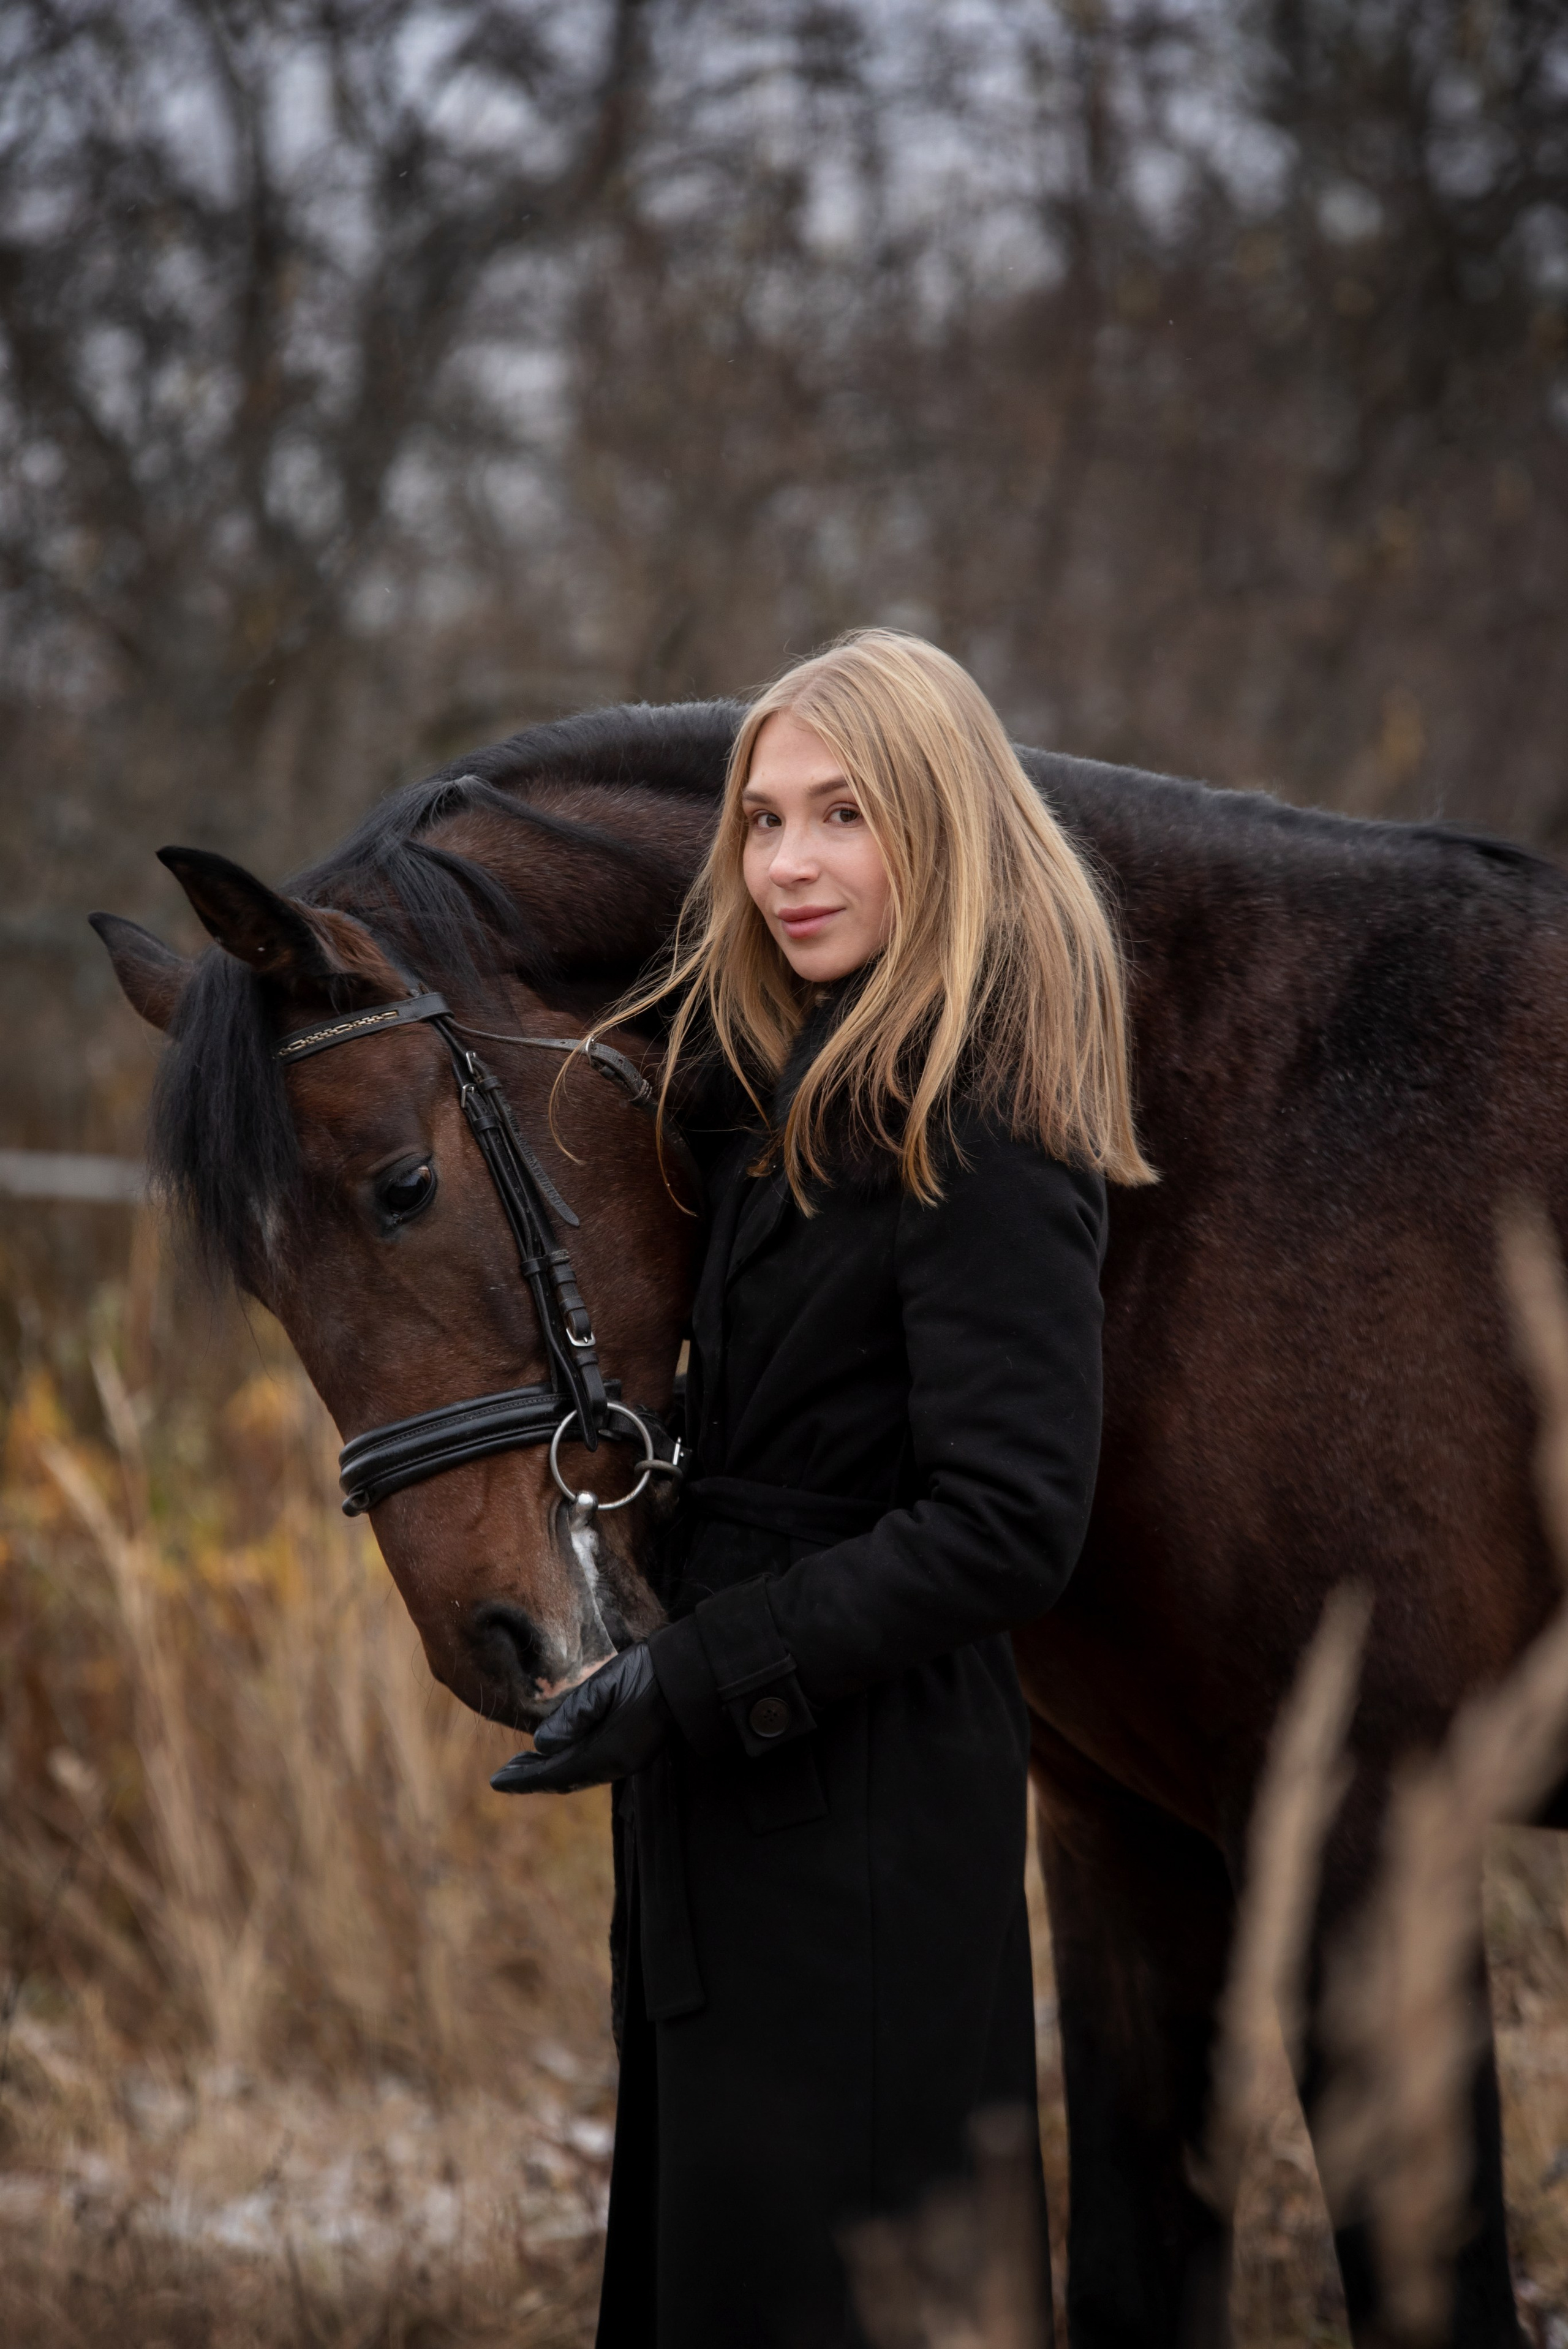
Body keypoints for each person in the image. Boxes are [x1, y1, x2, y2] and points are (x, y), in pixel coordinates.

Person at [494, 630, 1155, 2347]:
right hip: (737, 1809)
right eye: (766, 819)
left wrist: (694, 1676)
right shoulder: (787, 1088)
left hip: (861, 1814)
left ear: (939, 828)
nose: (788, 865)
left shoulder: (988, 1118)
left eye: (843, 816)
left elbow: (1012, 1520)